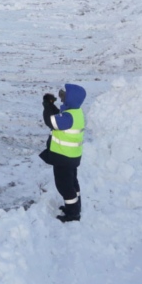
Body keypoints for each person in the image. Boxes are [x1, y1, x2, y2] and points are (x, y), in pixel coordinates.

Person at [39, 84, 87, 222]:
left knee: (65, 186)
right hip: (71, 157)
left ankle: (73, 215)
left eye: (64, 95)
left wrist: (47, 105)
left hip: (64, 158)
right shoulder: (74, 113)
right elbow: (57, 117)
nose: (62, 97)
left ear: (71, 99)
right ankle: (75, 207)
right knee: (72, 184)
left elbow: (51, 121)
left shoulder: (69, 117)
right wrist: (51, 105)